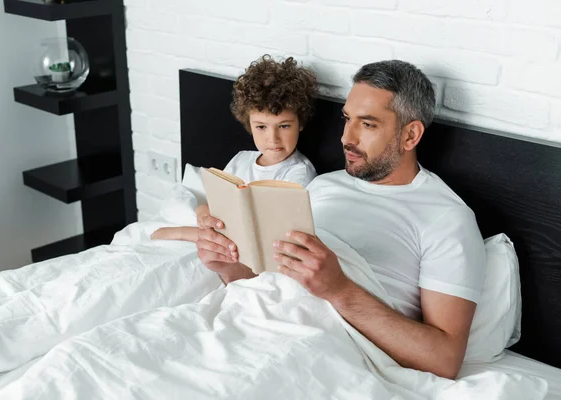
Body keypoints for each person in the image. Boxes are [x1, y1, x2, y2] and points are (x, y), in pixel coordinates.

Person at [195, 60, 486, 380]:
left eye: (368, 124)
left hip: (317, 354)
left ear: (410, 135)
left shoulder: (446, 217)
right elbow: (272, 285)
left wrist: (339, 290)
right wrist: (226, 265)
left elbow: (444, 360)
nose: (347, 137)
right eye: (347, 119)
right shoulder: (322, 185)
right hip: (251, 327)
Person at [150, 54, 318, 243]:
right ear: (249, 124)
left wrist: (185, 233)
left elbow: (269, 231)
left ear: (300, 123)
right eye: (261, 127)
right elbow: (218, 204)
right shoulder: (241, 159)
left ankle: (184, 234)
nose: (273, 139)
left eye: (284, 126)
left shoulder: (298, 175)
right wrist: (203, 211)